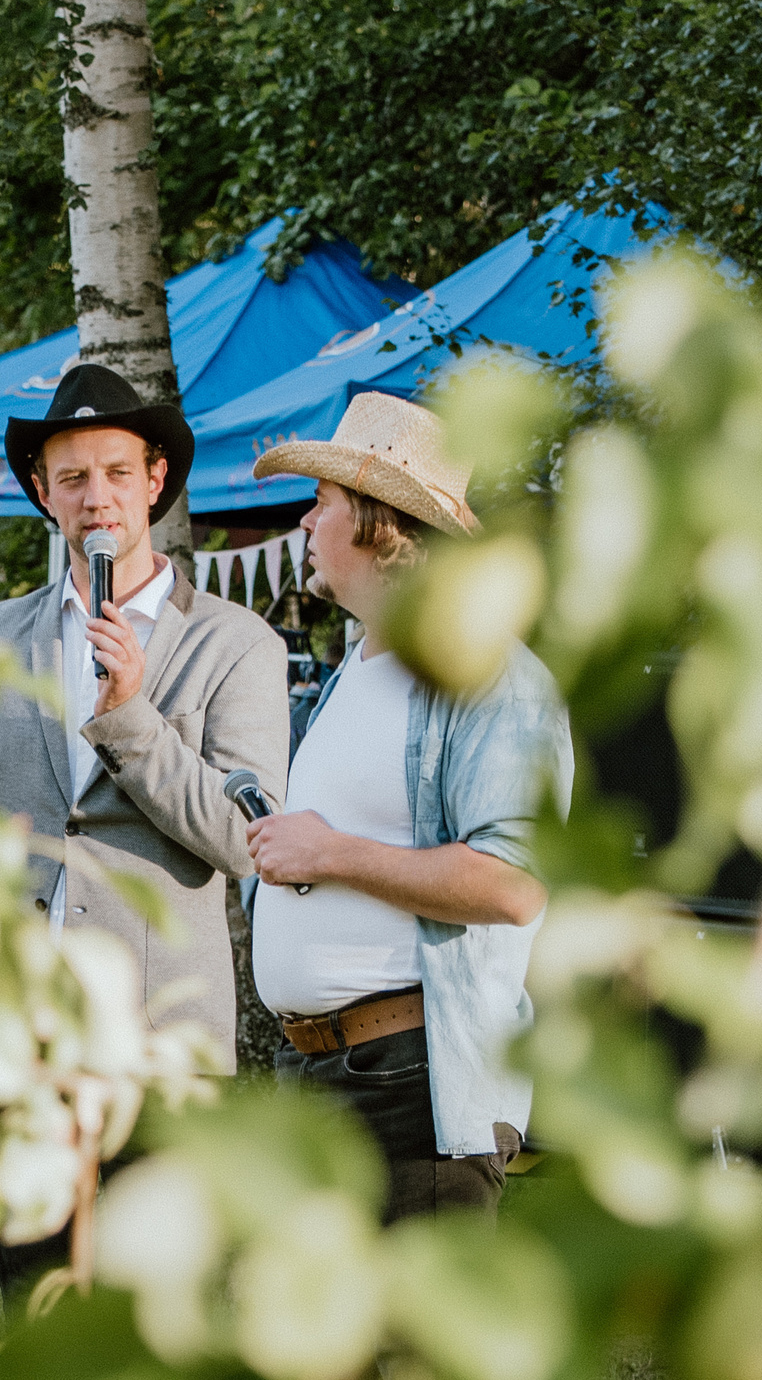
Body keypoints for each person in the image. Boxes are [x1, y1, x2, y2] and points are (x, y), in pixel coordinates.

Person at [0, 362, 292, 1296]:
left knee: (165, 1323)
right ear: (43, 492)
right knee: (39, 1311)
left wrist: (131, 715)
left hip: (162, 1052)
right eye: (72, 478)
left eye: (117, 473)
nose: (97, 499)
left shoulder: (235, 644)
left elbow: (244, 842)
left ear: (156, 480)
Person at [242, 393, 573, 1221]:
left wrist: (329, 853)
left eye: (320, 503)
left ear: (377, 523)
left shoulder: (491, 675)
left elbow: (513, 883)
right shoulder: (355, 666)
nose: (305, 524)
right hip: (318, 1075)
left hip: (409, 1083)